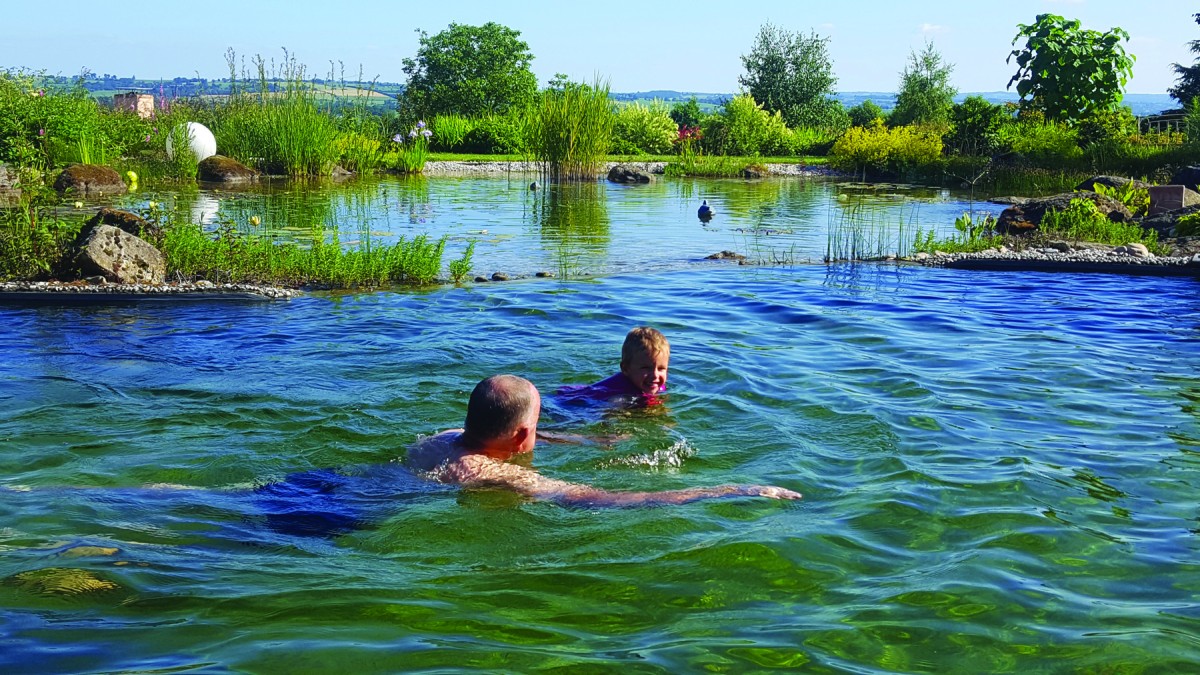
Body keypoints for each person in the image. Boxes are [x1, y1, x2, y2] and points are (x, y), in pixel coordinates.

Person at [406, 374, 801, 506]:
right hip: (352, 522)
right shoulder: (496, 475)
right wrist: (730, 489)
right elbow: (608, 501)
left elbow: (525, 436)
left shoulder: (444, 439)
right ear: (521, 433)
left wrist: (581, 440)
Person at [557, 326, 670, 405]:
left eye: (661, 369)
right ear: (625, 368)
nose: (655, 375)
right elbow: (607, 414)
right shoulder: (621, 397)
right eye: (645, 368)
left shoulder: (652, 384)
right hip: (573, 402)